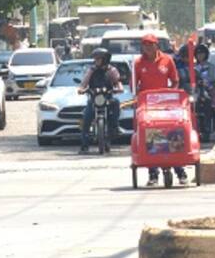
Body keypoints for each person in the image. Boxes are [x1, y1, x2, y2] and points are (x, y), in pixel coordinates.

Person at [133, 33, 187, 186]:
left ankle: (180, 171)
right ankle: (153, 174)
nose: (148, 48)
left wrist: (171, 94)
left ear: (156, 45)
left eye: (151, 45)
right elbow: (134, 85)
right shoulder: (138, 63)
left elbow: (175, 81)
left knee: (173, 130)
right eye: (145, 45)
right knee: (149, 134)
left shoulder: (167, 60)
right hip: (147, 106)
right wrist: (137, 96)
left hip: (166, 104)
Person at [78, 48, 122, 153]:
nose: (96, 61)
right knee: (86, 118)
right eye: (95, 58)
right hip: (94, 98)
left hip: (107, 98)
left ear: (105, 59)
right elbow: (84, 83)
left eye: (98, 59)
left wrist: (119, 88)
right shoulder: (91, 70)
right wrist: (81, 89)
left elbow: (117, 82)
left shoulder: (112, 70)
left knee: (116, 103)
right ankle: (84, 145)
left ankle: (115, 128)